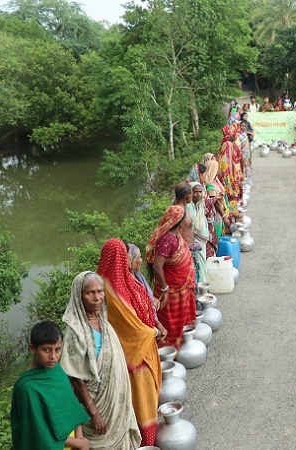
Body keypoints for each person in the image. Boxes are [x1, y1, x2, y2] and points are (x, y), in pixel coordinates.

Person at [60, 271, 141, 450]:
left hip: (115, 402)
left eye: (100, 292)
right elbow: (75, 377)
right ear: (79, 296)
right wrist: (94, 413)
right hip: (97, 406)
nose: (97, 298)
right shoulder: (75, 331)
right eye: (90, 293)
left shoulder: (104, 324)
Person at [97, 239, 164, 446]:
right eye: (123, 254)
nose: (127, 258)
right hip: (134, 354)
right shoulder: (109, 288)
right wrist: (151, 331)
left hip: (144, 345)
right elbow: (128, 325)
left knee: (147, 398)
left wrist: (154, 326)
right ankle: (144, 442)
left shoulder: (127, 279)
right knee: (142, 401)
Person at [11, 321, 91, 450]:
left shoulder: (57, 371)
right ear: (32, 348)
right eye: (46, 350)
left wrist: (79, 437)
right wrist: (78, 443)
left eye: (57, 350)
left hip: (71, 441)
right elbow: (38, 434)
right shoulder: (28, 389)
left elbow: (71, 408)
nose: (53, 356)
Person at [146, 205, 197, 348]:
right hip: (171, 289)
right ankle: (170, 350)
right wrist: (165, 288)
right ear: (178, 220)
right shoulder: (166, 240)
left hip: (182, 286)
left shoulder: (175, 235)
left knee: (183, 318)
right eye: (184, 217)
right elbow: (157, 266)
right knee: (172, 320)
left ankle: (184, 343)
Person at [187, 182, 209, 284]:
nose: (198, 194)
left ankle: (203, 287)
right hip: (193, 243)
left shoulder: (200, 205)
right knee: (196, 267)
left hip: (202, 243)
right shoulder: (188, 207)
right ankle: (200, 289)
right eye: (195, 192)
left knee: (202, 265)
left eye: (200, 192)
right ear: (190, 193)